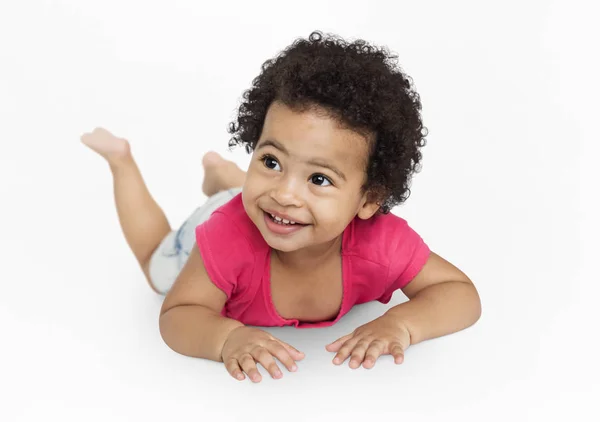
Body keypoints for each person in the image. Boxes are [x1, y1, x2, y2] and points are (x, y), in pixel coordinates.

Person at [81, 31, 481, 383]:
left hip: (261, 210)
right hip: (232, 220)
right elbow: (178, 314)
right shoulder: (225, 241)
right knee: (157, 267)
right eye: (270, 160)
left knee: (268, 200)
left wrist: (403, 323)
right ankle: (122, 161)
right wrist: (226, 337)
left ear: (369, 200)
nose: (286, 190)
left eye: (319, 179)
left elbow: (459, 293)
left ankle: (224, 176)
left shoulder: (381, 244)